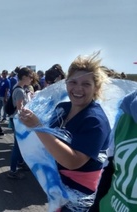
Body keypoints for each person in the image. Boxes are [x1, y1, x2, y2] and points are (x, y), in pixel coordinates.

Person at [19, 52, 111, 211]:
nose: (78, 89)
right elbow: (49, 142)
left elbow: (73, 162)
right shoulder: (63, 108)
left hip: (79, 199)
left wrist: (36, 127)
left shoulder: (95, 121)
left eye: (86, 84)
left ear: (96, 87)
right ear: (66, 83)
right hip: (58, 188)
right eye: (73, 82)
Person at [89, 90, 137, 212]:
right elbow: (111, 168)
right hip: (107, 205)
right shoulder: (126, 114)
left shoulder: (96, 118)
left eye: (86, 84)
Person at [7, 67, 34, 179]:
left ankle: (21, 163)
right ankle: (12, 170)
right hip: (19, 121)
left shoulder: (17, 87)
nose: (31, 79)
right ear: (24, 77)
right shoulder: (20, 91)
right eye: (30, 77)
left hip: (15, 120)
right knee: (18, 146)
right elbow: (20, 109)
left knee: (19, 145)